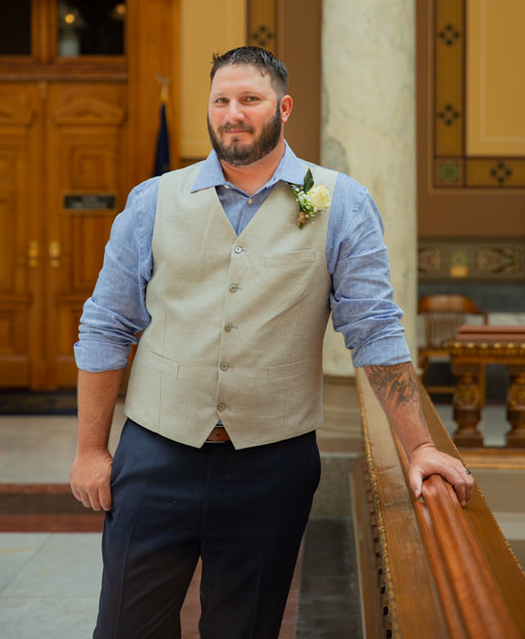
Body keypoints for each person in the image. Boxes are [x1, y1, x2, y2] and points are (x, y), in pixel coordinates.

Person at [70, 46, 472, 639]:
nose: (233, 113)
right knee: (125, 628)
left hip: (272, 465)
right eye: (221, 100)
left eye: (249, 100)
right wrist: (89, 449)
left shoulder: (340, 202)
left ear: (283, 108)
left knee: (245, 629)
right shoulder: (152, 201)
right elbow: (107, 324)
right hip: (155, 455)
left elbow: (374, 329)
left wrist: (418, 447)